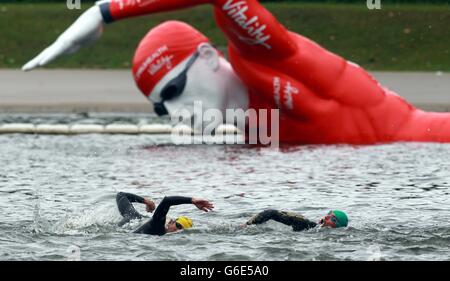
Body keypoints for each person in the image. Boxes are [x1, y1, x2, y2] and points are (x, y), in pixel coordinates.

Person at [22, 0, 450, 144]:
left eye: (173, 89)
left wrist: (107, 11)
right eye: (160, 108)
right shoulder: (251, 137)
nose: (175, 113)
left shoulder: (263, 58)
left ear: (208, 57)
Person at [116, 192, 214, 235]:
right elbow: (167, 201)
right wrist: (192, 200)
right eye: (179, 226)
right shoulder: (157, 226)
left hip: (135, 223)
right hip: (131, 223)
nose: (179, 231)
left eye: (183, 230)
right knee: (121, 195)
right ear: (171, 222)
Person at [244, 209, 348, 231]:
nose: (326, 217)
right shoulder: (304, 224)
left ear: (338, 227)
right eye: (328, 214)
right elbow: (271, 213)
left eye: (332, 218)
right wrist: (246, 225)